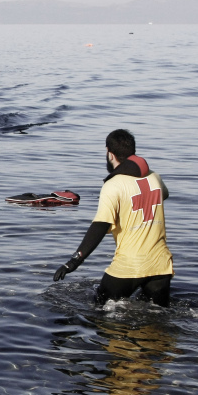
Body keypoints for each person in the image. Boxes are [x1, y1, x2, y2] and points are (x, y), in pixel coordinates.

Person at [53, 129, 174, 306]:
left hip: (128, 266)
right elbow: (164, 195)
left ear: (110, 154)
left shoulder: (113, 185)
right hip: (161, 264)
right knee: (158, 321)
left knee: (99, 309)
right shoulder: (155, 178)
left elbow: (100, 225)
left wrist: (73, 261)